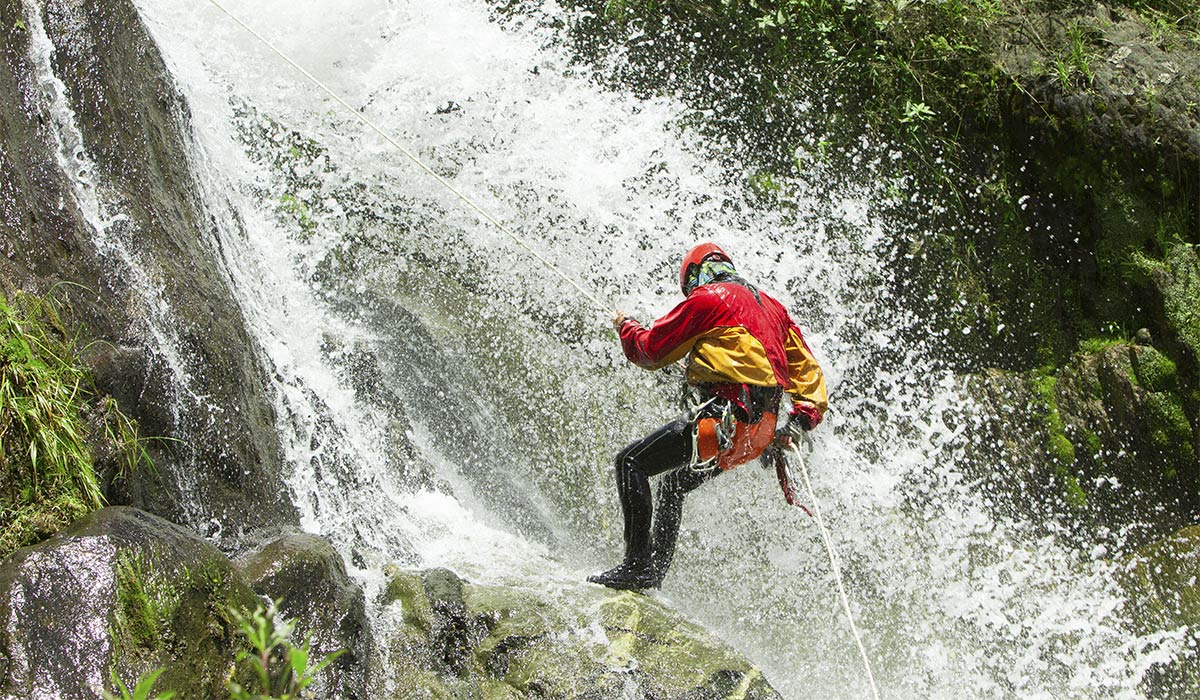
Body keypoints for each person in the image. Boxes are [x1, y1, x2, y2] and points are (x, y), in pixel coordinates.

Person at [588, 242, 828, 591]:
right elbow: (809, 372)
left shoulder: (708, 299)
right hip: (758, 435)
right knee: (674, 484)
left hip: (724, 421)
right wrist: (801, 421)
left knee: (630, 463)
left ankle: (637, 567)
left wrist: (626, 326)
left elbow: (651, 351)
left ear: (694, 276)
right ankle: (652, 574)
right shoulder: (774, 309)